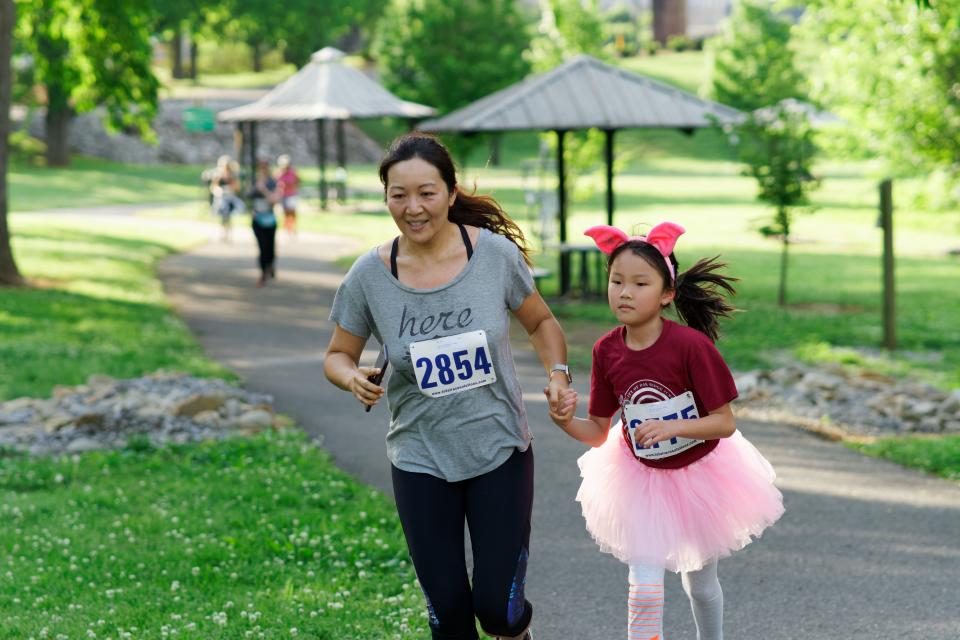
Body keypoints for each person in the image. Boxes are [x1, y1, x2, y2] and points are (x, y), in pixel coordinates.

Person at [324, 132, 570, 640]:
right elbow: (337, 355)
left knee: (497, 611)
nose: (412, 208)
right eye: (398, 194)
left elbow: (543, 323)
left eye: (427, 193)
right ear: (386, 197)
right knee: (449, 615)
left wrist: (558, 375)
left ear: (451, 193)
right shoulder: (369, 276)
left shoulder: (496, 257)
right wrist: (352, 377)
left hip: (498, 448)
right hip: (419, 458)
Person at [548, 222, 784, 640]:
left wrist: (673, 426)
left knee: (700, 583)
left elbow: (725, 422)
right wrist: (565, 420)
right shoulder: (606, 349)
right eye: (616, 281)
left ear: (667, 294)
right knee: (644, 586)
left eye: (640, 283)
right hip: (640, 480)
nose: (624, 292)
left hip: (700, 476)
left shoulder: (690, 347)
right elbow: (600, 431)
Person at [249, 159, 280, 287]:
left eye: (264, 167)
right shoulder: (254, 181)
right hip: (257, 219)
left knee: (270, 247)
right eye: (260, 167)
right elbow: (248, 195)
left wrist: (264, 190)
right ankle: (263, 273)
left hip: (270, 219)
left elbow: (274, 200)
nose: (262, 170)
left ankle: (270, 265)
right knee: (261, 247)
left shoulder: (273, 182)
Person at [210, 155, 244, 243]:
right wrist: (219, 190)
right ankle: (223, 234)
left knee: (229, 217)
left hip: (230, 198)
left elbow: (237, 188)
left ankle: (229, 234)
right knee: (223, 217)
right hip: (221, 199)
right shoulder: (218, 176)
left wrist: (230, 188)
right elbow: (214, 187)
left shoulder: (233, 176)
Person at [275, 154, 299, 237]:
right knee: (285, 213)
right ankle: (288, 228)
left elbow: (297, 182)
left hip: (291, 194)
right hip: (283, 195)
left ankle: (292, 228)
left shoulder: (293, 172)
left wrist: (291, 185)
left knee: (292, 212)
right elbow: (276, 183)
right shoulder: (279, 173)